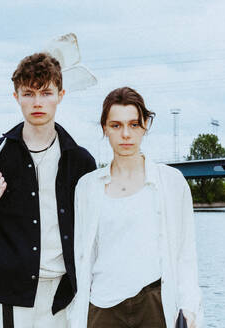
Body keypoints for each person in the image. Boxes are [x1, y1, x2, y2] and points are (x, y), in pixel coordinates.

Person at [0, 52, 96, 328]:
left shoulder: (80, 161)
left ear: (61, 94)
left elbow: (93, 234)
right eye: (28, 93)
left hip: (59, 298)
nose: (37, 103)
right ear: (16, 96)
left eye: (46, 93)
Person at [69, 87, 203, 328]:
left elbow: (186, 253)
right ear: (105, 129)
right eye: (116, 126)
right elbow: (82, 255)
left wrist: (189, 306)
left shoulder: (171, 182)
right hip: (102, 307)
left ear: (146, 126)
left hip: (154, 304)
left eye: (134, 124)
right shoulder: (87, 187)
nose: (126, 135)